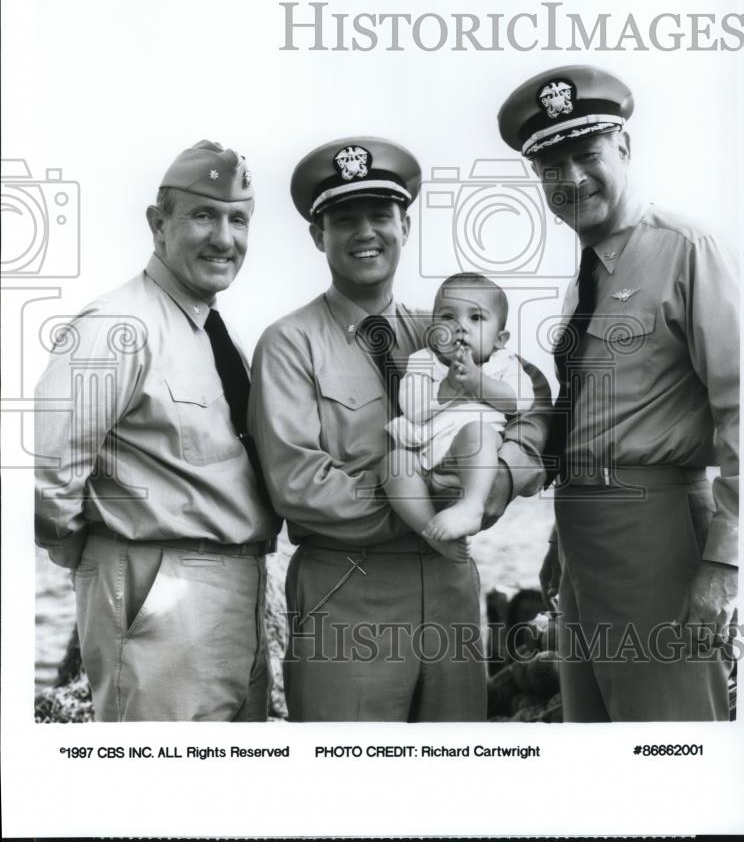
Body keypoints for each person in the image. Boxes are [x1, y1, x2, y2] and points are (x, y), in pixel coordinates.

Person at [250, 136, 551, 721]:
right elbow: (299, 486)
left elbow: (533, 402)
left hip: (451, 587)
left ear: (405, 226)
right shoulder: (289, 344)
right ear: (319, 236)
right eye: (344, 219)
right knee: (352, 788)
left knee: (451, 779)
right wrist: (435, 499)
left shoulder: (444, 325)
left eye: (381, 215)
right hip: (348, 591)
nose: (366, 232)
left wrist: (502, 478)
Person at [498, 65, 739, 721]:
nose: (571, 179)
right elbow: (591, 418)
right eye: (551, 166)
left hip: (657, 536)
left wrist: (726, 563)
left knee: (669, 753)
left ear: (624, 149)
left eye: (586, 154)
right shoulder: (585, 281)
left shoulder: (687, 249)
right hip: (582, 541)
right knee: (598, 751)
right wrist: (560, 549)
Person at [35, 140, 281, 722]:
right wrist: (106, 559)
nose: (224, 238)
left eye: (238, 220)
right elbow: (43, 477)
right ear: (158, 224)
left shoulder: (213, 333)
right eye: (203, 215)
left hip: (241, 593)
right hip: (157, 594)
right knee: (155, 798)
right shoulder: (118, 326)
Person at [384, 272, 534, 546]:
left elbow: (522, 401)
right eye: (448, 317)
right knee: (393, 464)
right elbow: (413, 408)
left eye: (476, 318)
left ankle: (471, 507)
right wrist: (448, 389)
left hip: (471, 463)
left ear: (500, 339)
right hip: (425, 455)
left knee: (477, 432)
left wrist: (479, 383)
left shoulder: (504, 363)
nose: (460, 326)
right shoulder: (423, 361)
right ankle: (429, 530)